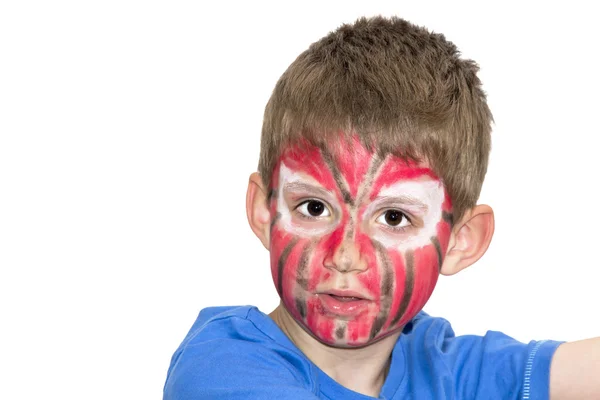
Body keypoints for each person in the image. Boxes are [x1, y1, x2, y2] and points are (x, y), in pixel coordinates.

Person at [163, 16, 599, 399]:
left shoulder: (443, 367)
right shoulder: (221, 367)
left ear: (461, 242)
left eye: (394, 218)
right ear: (263, 209)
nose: (346, 256)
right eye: (314, 208)